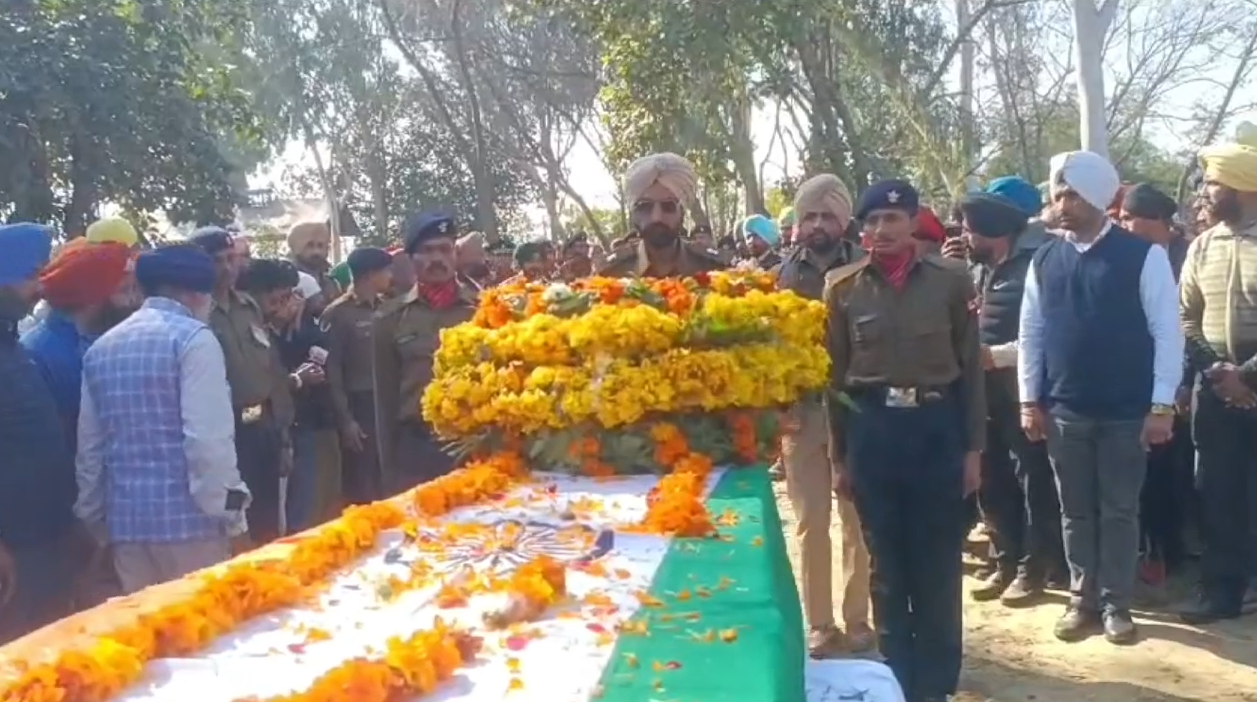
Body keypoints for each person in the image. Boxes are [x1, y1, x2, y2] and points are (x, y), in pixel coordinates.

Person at [826, 180, 983, 702]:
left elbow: (971, 374)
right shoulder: (842, 288)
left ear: (913, 221)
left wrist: (973, 450)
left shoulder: (952, 281)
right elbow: (835, 380)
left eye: (890, 221)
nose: (879, 231)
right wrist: (839, 457)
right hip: (873, 433)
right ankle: (897, 681)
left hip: (936, 432)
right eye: (870, 222)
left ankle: (937, 686)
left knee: (937, 564)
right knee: (886, 568)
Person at [1018, 151, 1183, 645]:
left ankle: (1116, 604)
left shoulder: (1142, 256)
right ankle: (1080, 599)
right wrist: (1029, 399)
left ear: (1095, 197)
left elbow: (1167, 334)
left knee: (1119, 510)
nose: (1061, 204)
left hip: (1126, 413)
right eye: (1057, 194)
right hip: (1064, 410)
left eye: (1070, 194)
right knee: (1075, 510)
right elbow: (1032, 332)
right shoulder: (1045, 258)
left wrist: (1160, 406)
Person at [75, 244, 250, 594]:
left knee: (154, 638)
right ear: (196, 294)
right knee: (206, 636)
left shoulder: (102, 347)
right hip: (193, 529)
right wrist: (235, 517)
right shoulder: (194, 340)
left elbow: (90, 451)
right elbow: (207, 445)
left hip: (128, 529)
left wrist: (95, 521)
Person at [949, 189, 1064, 606]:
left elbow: (1049, 332)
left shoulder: (1039, 262)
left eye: (969, 229)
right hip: (983, 395)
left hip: (1026, 391)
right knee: (991, 478)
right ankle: (1005, 560)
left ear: (991, 232)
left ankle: (1036, 568)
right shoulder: (978, 268)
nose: (963, 237)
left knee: (1033, 481)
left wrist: (994, 357)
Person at [777, 173, 871, 657]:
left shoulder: (868, 269)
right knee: (811, 522)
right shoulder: (779, 276)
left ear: (844, 220)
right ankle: (820, 624)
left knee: (857, 520)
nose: (816, 224)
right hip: (802, 414)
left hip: (857, 417)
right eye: (808, 216)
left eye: (826, 215)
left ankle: (859, 621)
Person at [1178, 141, 1257, 623]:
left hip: (1248, 379)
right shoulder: (1203, 245)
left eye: (1213, 184)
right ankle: (1222, 592)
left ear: (1243, 187)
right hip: (1216, 388)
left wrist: (1247, 375)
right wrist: (1215, 371)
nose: (1205, 194)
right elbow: (1185, 317)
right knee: (1217, 493)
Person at [0, 223, 85, 642]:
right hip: (13, 546)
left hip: (46, 533)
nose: (40, 287)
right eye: (32, 274)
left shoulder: (12, 345)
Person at [193, 227, 294, 545]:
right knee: (236, 524)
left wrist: (284, 432)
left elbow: (272, 370)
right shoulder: (198, 314)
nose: (226, 268)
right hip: (228, 433)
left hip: (262, 425)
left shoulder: (248, 306)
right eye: (216, 261)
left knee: (267, 518)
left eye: (231, 259)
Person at [1118, 183, 1195, 583]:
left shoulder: (1187, 257)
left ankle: (1173, 550)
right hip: (1137, 383)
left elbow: (1187, 324)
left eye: (1132, 217)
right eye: (1122, 217)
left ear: (1159, 221)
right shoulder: (1124, 259)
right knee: (1145, 474)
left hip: (1186, 383)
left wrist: (1181, 382)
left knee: (1175, 473)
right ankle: (1152, 552)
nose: (1124, 225)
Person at [373, 212, 478, 492]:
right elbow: (384, 403)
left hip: (473, 446)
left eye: (444, 249)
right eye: (427, 251)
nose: (436, 259)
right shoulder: (390, 318)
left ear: (455, 255)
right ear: (411, 259)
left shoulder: (483, 311)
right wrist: (389, 472)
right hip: (417, 451)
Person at [238, 259, 337, 533]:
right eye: (279, 296)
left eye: (290, 295)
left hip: (277, 435)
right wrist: (295, 380)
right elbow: (251, 401)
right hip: (250, 439)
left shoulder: (269, 328)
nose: (285, 303)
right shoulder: (242, 330)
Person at [21, 240, 138, 445]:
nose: (134, 301)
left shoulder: (97, 340)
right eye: (124, 290)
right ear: (92, 297)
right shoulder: (43, 353)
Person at [324, 248, 394, 505]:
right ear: (370, 274)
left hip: (385, 401)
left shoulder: (387, 308)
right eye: (386, 271)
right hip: (358, 404)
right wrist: (346, 420)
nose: (391, 276)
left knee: (388, 476)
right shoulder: (338, 313)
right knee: (363, 482)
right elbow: (333, 369)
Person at [599, 153, 727, 277]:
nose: (657, 217)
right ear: (634, 213)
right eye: (645, 207)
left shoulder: (715, 268)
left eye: (668, 206)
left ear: (682, 211)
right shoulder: (610, 272)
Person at [287, 221, 340, 313]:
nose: (316, 251)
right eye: (309, 245)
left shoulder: (331, 284)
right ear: (294, 247)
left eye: (320, 245)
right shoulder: (285, 282)